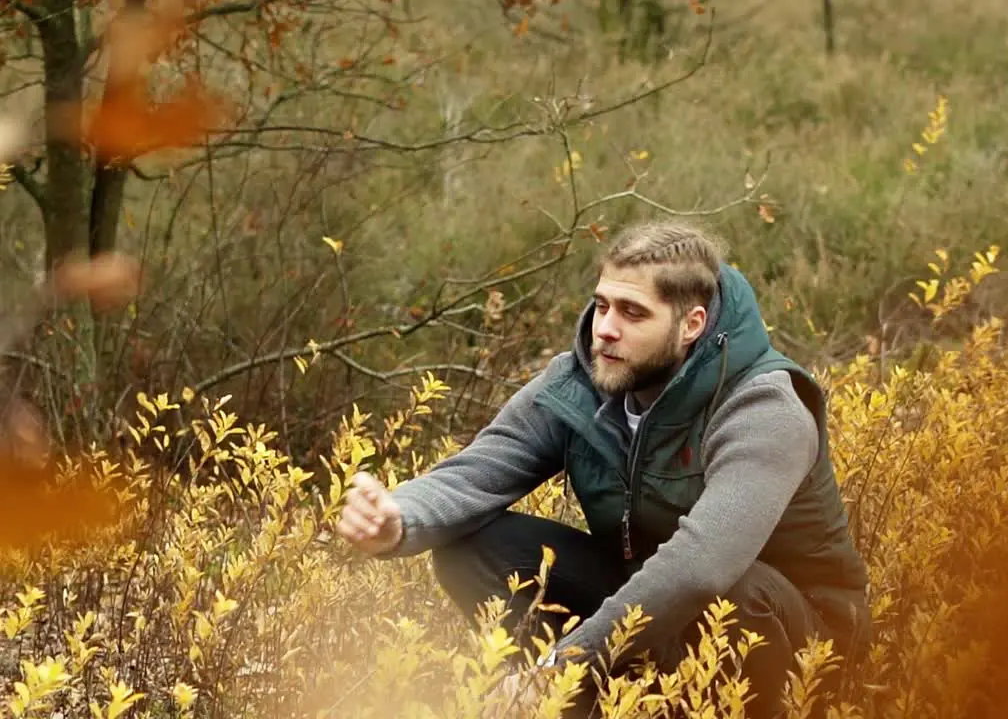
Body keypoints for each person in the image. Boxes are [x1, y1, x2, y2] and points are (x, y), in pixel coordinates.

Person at [336, 219, 871, 717]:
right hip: (653, 606)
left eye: (633, 313)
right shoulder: (584, 380)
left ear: (692, 324)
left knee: (729, 587)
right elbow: (482, 469)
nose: (605, 329)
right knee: (474, 546)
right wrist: (398, 518)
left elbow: (703, 565)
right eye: (602, 305)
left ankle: (564, 689)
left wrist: (565, 665)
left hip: (798, 641)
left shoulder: (764, 407)